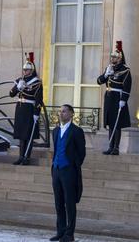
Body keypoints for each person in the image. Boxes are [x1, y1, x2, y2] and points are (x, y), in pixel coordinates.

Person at [50, 103, 86, 242]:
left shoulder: (77, 131)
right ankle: (60, 231)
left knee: (69, 203)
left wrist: (72, 165)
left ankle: (69, 234)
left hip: (69, 170)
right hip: (56, 170)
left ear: (71, 114)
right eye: (60, 111)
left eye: (64, 111)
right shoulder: (55, 131)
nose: (61, 114)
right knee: (58, 202)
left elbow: (81, 153)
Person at [96, 40, 131, 155]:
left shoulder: (125, 70)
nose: (112, 59)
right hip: (109, 97)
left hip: (118, 98)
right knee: (111, 123)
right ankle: (110, 146)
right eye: (112, 57)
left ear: (120, 58)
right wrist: (106, 74)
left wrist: (123, 100)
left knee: (117, 124)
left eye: (114, 57)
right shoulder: (109, 68)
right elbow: (99, 81)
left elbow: (127, 86)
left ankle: (116, 147)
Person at [9, 51, 43, 165]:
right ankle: (20, 156)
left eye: (27, 70)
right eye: (24, 70)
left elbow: (38, 99)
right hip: (20, 109)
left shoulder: (37, 83)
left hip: (29, 109)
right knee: (21, 135)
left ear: (32, 70)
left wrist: (36, 113)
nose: (25, 71)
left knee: (28, 135)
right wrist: (18, 87)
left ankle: (26, 157)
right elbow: (11, 94)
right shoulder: (20, 80)